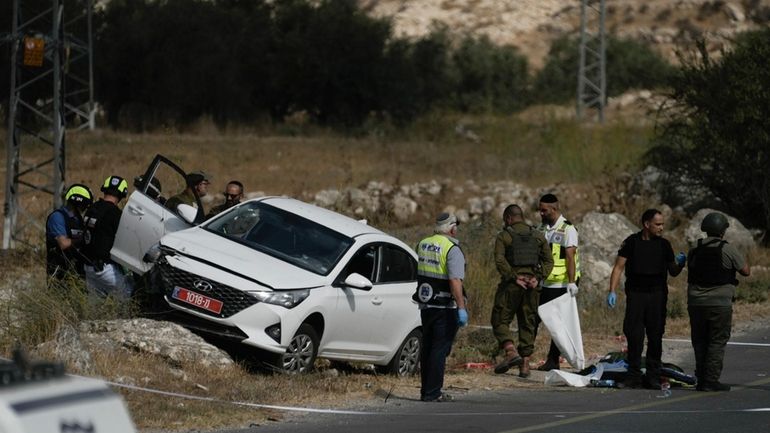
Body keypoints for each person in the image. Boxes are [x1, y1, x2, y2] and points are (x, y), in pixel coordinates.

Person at [607, 208, 685, 389]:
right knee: (634, 336)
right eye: (658, 224)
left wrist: (680, 263)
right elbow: (618, 267)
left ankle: (653, 376)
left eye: (663, 224)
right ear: (646, 224)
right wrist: (612, 290)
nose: (661, 228)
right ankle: (633, 376)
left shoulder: (664, 245)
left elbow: (672, 271)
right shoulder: (631, 242)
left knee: (655, 336)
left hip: (657, 295)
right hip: (636, 294)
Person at [686, 212, 750, 392]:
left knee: (699, 341)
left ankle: (700, 378)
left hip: (696, 303)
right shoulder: (727, 248)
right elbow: (746, 271)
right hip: (719, 303)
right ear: (722, 231)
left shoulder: (695, 248)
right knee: (716, 341)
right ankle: (711, 380)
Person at [491, 204, 554, 377]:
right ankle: (525, 364)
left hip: (512, 285)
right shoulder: (538, 236)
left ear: (509, 218)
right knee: (528, 322)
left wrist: (513, 276)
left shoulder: (504, 236)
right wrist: (537, 277)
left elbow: (499, 260)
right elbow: (549, 261)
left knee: (499, 319)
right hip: (532, 286)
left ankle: (511, 351)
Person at [413, 212, 467, 402]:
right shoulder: (452, 248)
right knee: (439, 349)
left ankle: (426, 391)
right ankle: (433, 392)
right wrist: (461, 307)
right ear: (452, 228)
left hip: (426, 304)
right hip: (445, 306)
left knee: (428, 347)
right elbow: (454, 280)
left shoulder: (422, 244)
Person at [535, 193, 580, 371]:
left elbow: (570, 257)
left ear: (554, 209)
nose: (541, 213)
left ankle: (553, 360)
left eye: (544, 210)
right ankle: (525, 358)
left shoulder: (568, 229)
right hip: (545, 282)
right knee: (536, 319)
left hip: (562, 284)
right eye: (540, 210)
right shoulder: (542, 228)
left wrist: (572, 282)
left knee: (558, 324)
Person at [82, 175, 133, 298]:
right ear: (122, 195)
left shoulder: (92, 208)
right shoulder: (115, 214)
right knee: (128, 294)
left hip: (88, 267)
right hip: (104, 269)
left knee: (95, 306)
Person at [45, 184, 93, 283]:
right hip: (60, 275)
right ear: (78, 202)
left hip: (77, 273)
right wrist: (84, 239)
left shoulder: (78, 220)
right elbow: (63, 243)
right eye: (85, 205)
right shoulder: (57, 217)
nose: (85, 208)